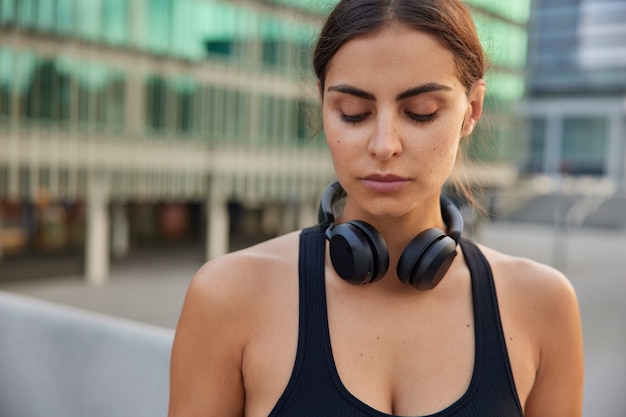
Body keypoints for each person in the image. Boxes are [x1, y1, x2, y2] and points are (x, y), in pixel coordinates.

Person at [168, 1, 584, 416]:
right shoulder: (227, 296)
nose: (384, 145)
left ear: (471, 110)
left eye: (421, 114)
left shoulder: (543, 305)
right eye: (354, 114)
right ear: (323, 104)